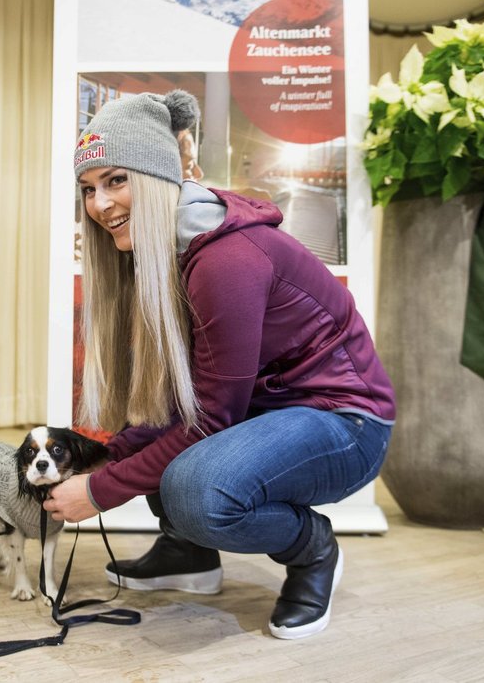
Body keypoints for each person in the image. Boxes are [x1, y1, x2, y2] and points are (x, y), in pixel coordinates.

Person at [44, 89, 395, 640]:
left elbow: (211, 418)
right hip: (269, 415)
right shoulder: (165, 254)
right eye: (88, 189)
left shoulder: (223, 260)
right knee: (157, 428)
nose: (100, 205)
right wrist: (106, 458)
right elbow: (182, 398)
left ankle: (313, 549)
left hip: (346, 423)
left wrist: (98, 491)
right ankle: (190, 555)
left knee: (197, 489)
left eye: (117, 180)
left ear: (160, 177)